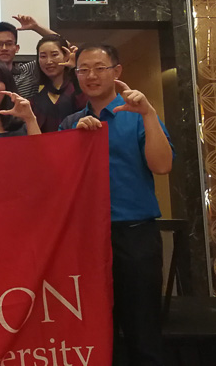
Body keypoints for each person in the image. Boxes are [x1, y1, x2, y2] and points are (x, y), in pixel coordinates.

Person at [60, 44, 173, 366]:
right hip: (86, 240)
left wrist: (149, 114)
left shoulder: (139, 115)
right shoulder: (71, 124)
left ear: (117, 72)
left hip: (134, 237)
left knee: (142, 332)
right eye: (83, 69)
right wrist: (75, 145)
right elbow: (57, 183)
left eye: (100, 68)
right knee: (92, 331)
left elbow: (163, 166)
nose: (91, 76)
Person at [0, 15, 56, 99]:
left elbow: (65, 48)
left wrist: (36, 27)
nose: (4, 48)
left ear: (17, 48)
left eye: (9, 44)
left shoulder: (29, 71)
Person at [30, 34, 85, 133]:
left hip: (76, 145)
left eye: (54, 55)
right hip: (43, 146)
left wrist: (74, 69)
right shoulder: (34, 90)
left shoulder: (77, 86)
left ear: (66, 56)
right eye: (43, 56)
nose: (48, 61)